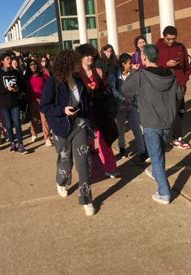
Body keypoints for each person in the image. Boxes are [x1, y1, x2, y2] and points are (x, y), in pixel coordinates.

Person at [122, 44, 183, 205]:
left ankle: (164, 192)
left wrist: (133, 72)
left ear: (144, 58)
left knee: (155, 156)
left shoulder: (140, 75)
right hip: (168, 121)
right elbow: (179, 94)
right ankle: (156, 173)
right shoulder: (170, 74)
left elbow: (125, 90)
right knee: (159, 153)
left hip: (151, 122)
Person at [39, 50, 95, 216]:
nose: (79, 64)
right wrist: (62, 110)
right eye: (76, 62)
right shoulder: (52, 83)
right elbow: (44, 106)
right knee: (66, 162)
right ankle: (61, 181)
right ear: (67, 64)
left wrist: (90, 124)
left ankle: (86, 199)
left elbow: (85, 103)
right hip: (61, 128)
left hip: (80, 125)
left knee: (83, 162)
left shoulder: (78, 80)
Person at [76, 44, 120, 179]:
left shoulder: (99, 71)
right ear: (81, 58)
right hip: (84, 113)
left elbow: (107, 90)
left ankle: (110, 167)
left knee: (104, 140)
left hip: (100, 111)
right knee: (86, 143)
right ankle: (88, 170)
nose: (89, 57)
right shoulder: (76, 74)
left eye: (91, 55)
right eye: (86, 55)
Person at [156, 25, 191, 149]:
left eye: (173, 39)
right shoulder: (157, 48)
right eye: (168, 39)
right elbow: (152, 66)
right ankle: (162, 140)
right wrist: (165, 64)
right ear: (163, 37)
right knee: (164, 114)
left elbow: (187, 67)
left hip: (179, 86)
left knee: (179, 112)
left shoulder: (180, 47)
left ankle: (177, 138)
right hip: (163, 86)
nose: (171, 42)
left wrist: (183, 81)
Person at [108, 53, 148, 162]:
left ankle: (142, 151)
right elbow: (113, 90)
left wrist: (133, 101)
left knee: (137, 129)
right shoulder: (114, 76)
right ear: (123, 64)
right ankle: (122, 147)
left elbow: (138, 88)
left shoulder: (135, 74)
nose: (132, 65)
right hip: (120, 108)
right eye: (129, 63)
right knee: (120, 129)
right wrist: (122, 100)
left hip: (132, 106)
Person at [0, 53, 27, 154]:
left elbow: (21, 84)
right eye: (7, 59)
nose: (10, 61)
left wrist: (17, 89)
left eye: (10, 59)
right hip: (3, 103)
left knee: (17, 123)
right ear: (2, 61)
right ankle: (12, 143)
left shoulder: (15, 72)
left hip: (15, 102)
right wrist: (6, 89)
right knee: (8, 124)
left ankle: (21, 144)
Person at [25, 58, 52, 146]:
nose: (33, 66)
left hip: (43, 100)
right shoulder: (27, 77)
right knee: (34, 119)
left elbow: (49, 85)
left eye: (35, 64)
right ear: (29, 67)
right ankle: (34, 133)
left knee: (45, 119)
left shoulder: (43, 75)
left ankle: (47, 138)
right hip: (32, 101)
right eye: (31, 65)